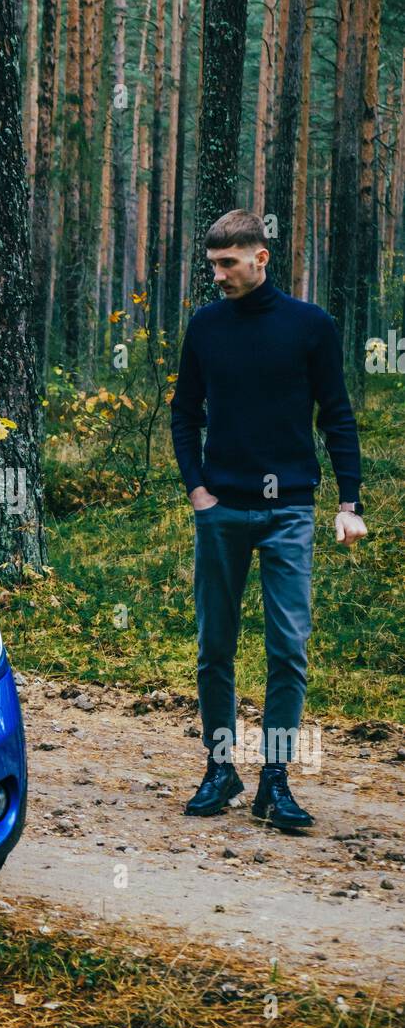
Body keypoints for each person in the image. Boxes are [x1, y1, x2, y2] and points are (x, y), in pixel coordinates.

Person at [170, 209, 367, 831]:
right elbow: (184, 415)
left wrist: (349, 502)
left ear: (262, 257)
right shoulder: (205, 326)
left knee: (288, 646)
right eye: (213, 265)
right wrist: (198, 491)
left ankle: (274, 781)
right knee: (214, 648)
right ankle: (221, 767)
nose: (219, 275)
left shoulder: (311, 326)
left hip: (290, 511)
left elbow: (336, 413)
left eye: (229, 263)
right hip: (222, 510)